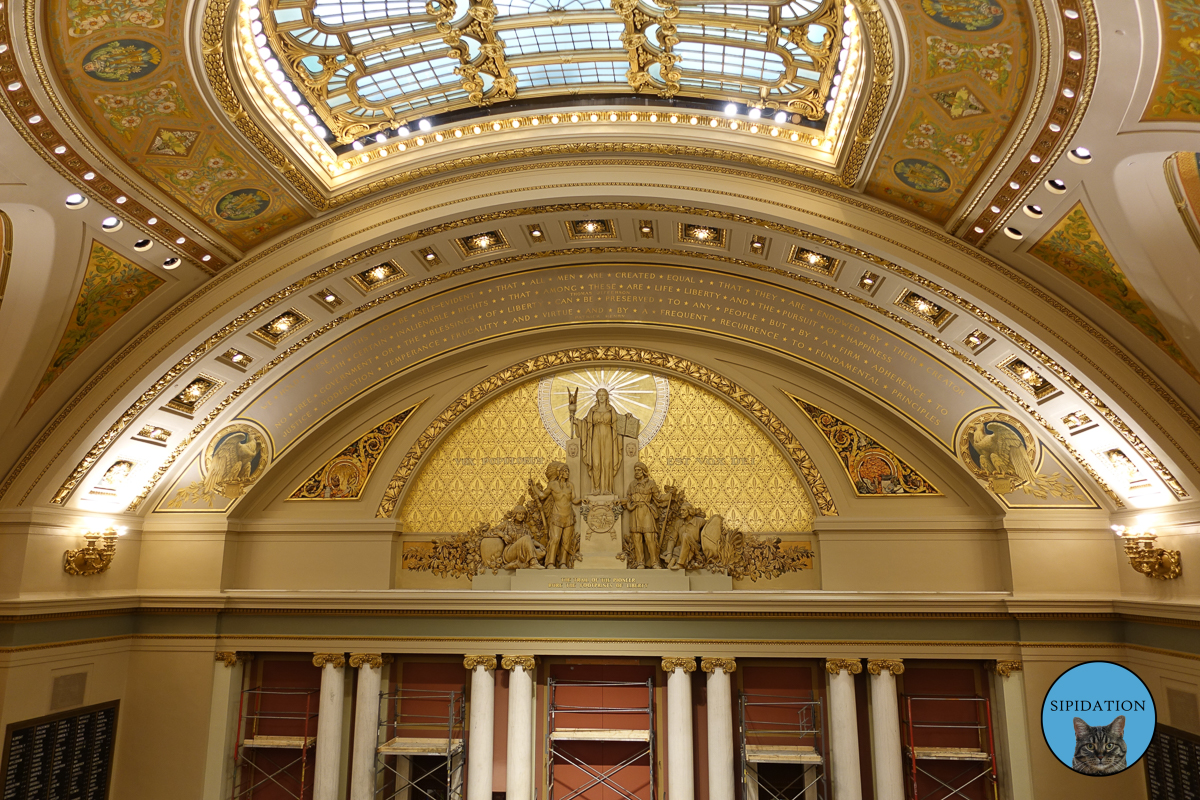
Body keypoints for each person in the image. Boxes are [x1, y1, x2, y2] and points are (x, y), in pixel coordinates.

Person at [529, 462, 580, 568]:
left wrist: (584, 499)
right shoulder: (553, 485)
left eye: (568, 471)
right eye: (565, 471)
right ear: (559, 472)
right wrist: (533, 487)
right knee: (555, 539)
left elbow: (574, 500)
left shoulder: (570, 485)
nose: (567, 473)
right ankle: (550, 562)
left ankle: (563, 563)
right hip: (556, 516)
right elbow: (542, 496)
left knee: (566, 541)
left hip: (568, 516)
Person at [621, 462, 670, 568]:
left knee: (650, 538)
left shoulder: (650, 484)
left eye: (639, 470)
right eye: (635, 470)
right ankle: (640, 562)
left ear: (643, 471)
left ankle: (655, 562)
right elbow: (628, 499)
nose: (637, 472)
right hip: (635, 513)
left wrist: (669, 495)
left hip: (647, 512)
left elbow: (659, 498)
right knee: (637, 538)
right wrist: (624, 503)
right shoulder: (632, 484)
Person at [576, 388, 623, 495]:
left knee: (607, 463)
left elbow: (619, 423)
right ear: (597, 397)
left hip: (608, 438)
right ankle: (596, 489)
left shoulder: (611, 410)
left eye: (603, 395)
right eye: (599, 395)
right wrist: (577, 422)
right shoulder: (592, 410)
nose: (601, 397)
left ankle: (607, 489)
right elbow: (585, 424)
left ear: (607, 397)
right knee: (596, 463)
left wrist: (628, 416)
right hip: (595, 438)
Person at [498, 505, 545, 569]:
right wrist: (503, 536)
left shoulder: (525, 527)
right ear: (515, 514)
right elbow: (494, 530)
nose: (521, 516)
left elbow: (531, 541)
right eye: (519, 514)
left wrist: (540, 545)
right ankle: (533, 563)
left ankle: (519, 564)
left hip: (522, 553)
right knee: (527, 537)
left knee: (543, 552)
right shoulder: (507, 524)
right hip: (510, 552)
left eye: (523, 514)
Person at [664, 502, 706, 570]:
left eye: (684, 510)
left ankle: (680, 564)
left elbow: (709, 529)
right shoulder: (678, 523)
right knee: (675, 551)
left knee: (685, 536)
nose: (681, 512)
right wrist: (669, 553)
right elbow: (672, 539)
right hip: (681, 548)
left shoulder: (700, 522)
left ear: (690, 511)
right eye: (680, 510)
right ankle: (681, 562)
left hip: (695, 547)